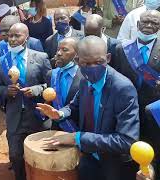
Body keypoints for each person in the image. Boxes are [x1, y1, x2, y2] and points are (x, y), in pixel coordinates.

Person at [37, 36, 140, 180]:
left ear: (108, 58)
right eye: (86, 63)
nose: (92, 68)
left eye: (98, 62)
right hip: (88, 157)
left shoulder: (123, 89)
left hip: (113, 166)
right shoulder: (85, 81)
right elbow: (75, 105)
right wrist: (59, 114)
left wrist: (78, 138)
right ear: (78, 61)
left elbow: (127, 140)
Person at [0, 23, 51, 180]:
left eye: (16, 36)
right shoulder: (0, 62)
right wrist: (6, 91)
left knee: (40, 155)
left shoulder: (41, 57)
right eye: (9, 36)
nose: (11, 39)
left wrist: (36, 90)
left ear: (26, 38)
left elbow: (50, 85)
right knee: (16, 156)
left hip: (37, 115)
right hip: (15, 117)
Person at [114, 10, 160, 179]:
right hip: (127, 112)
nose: (149, 26)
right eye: (145, 22)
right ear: (138, 24)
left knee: (153, 152)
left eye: (154, 23)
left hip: (153, 114)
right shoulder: (122, 49)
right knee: (127, 155)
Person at [46, 37, 83, 132]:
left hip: (78, 131)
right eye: (58, 49)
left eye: (64, 50)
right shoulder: (51, 75)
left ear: (76, 54)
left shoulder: (85, 76)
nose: (58, 53)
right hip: (56, 131)